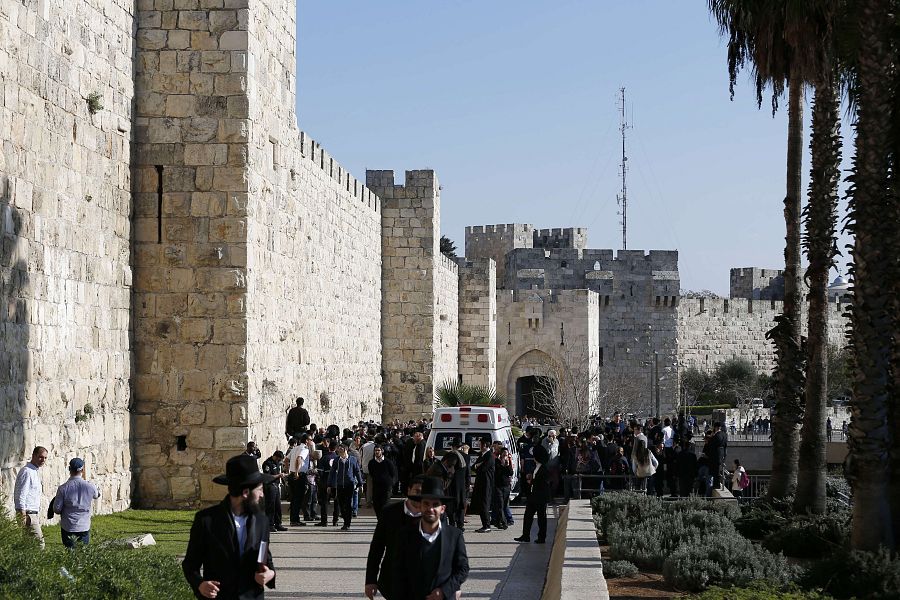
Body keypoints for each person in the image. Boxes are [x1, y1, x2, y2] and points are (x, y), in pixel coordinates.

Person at [182, 454, 276, 599]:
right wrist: (200, 585)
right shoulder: (207, 520)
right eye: (260, 490)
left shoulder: (261, 522)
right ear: (245, 493)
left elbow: (264, 558)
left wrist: (269, 573)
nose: (262, 495)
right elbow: (190, 565)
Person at [389, 477, 470, 600]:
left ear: (442, 509)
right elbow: (397, 571)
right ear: (420, 506)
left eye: (435, 505)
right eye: (426, 504)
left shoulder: (454, 535)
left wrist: (445, 590)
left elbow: (462, 568)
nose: (430, 509)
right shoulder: (405, 535)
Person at [365, 476, 425, 600]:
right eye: (417, 491)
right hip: (393, 581)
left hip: (423, 583)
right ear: (409, 491)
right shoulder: (390, 512)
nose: (420, 496)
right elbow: (377, 548)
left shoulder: (434, 514)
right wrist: (370, 580)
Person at [51, 457, 100, 548]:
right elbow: (96, 495)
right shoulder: (90, 486)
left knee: (70, 554)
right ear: (83, 470)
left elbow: (57, 509)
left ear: (69, 469)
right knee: (83, 553)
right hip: (84, 525)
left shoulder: (63, 488)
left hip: (68, 526)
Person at [515, 445, 551, 544]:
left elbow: (544, 483)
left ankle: (541, 537)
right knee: (527, 516)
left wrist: (532, 481)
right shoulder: (537, 467)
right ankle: (525, 535)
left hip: (540, 497)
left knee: (541, 518)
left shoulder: (544, 468)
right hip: (533, 495)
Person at [14, 446, 48, 549]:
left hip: (33, 513)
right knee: (40, 544)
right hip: (28, 514)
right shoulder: (27, 471)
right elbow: (21, 493)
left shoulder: (34, 471)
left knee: (28, 545)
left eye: (45, 458)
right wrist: (22, 514)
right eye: (40, 457)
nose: (43, 460)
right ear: (33, 456)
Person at [327, 443, 363, 530]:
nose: (339, 451)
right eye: (338, 449)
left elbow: (357, 471)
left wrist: (360, 483)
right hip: (339, 485)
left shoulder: (352, 459)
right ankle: (344, 517)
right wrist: (329, 485)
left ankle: (347, 523)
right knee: (341, 504)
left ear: (345, 450)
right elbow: (332, 472)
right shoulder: (337, 460)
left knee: (348, 504)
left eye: (341, 449)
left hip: (349, 484)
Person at [471, 437, 496, 533]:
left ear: (485, 445)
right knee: (481, 504)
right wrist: (478, 465)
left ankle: (487, 525)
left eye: (480, 444)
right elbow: (474, 467)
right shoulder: (482, 455)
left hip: (487, 483)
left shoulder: (490, 456)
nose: (479, 446)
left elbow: (483, 468)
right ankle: (484, 525)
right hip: (480, 482)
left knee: (485, 504)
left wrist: (478, 466)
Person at [286, 434, 311, 526]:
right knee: (298, 498)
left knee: (294, 498)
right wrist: (296, 472)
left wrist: (288, 470)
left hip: (292, 475)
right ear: (307, 441)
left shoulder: (294, 448)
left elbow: (286, 459)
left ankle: (294, 519)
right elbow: (299, 459)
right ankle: (295, 520)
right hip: (299, 475)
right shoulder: (304, 449)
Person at [369, 445, 398, 519]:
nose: (377, 452)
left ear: (382, 451)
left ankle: (384, 519)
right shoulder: (372, 462)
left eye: (378, 450)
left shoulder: (388, 462)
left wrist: (391, 484)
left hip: (386, 487)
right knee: (376, 504)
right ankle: (380, 519)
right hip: (376, 486)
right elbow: (371, 473)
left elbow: (393, 473)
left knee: (384, 504)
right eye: (375, 450)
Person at [261, 450, 287, 532]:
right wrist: (278, 475)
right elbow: (267, 476)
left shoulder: (277, 463)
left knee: (278, 506)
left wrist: (283, 479)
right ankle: (270, 525)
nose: (279, 461)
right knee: (270, 506)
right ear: (275, 456)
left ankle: (278, 524)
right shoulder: (267, 463)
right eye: (278, 459)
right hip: (269, 486)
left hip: (275, 486)